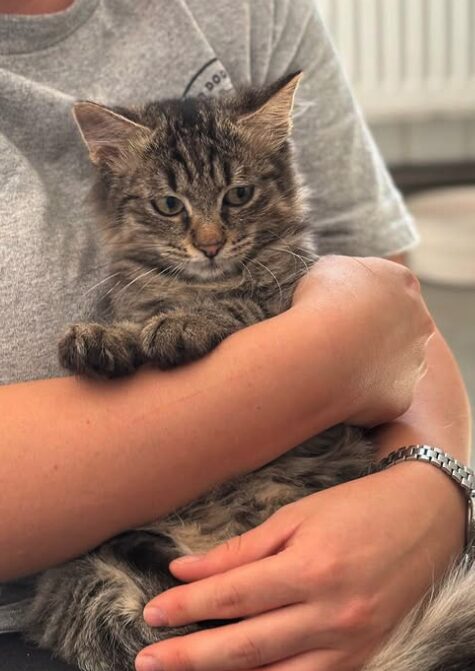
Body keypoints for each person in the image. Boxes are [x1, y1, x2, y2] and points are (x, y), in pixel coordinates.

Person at [0, 1, 470, 670]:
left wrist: (430, 491)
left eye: (236, 199)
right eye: (170, 206)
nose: (211, 237)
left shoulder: (250, 12)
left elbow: (401, 324)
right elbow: (362, 338)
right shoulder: (139, 287)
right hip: (93, 588)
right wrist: (326, 352)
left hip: (333, 520)